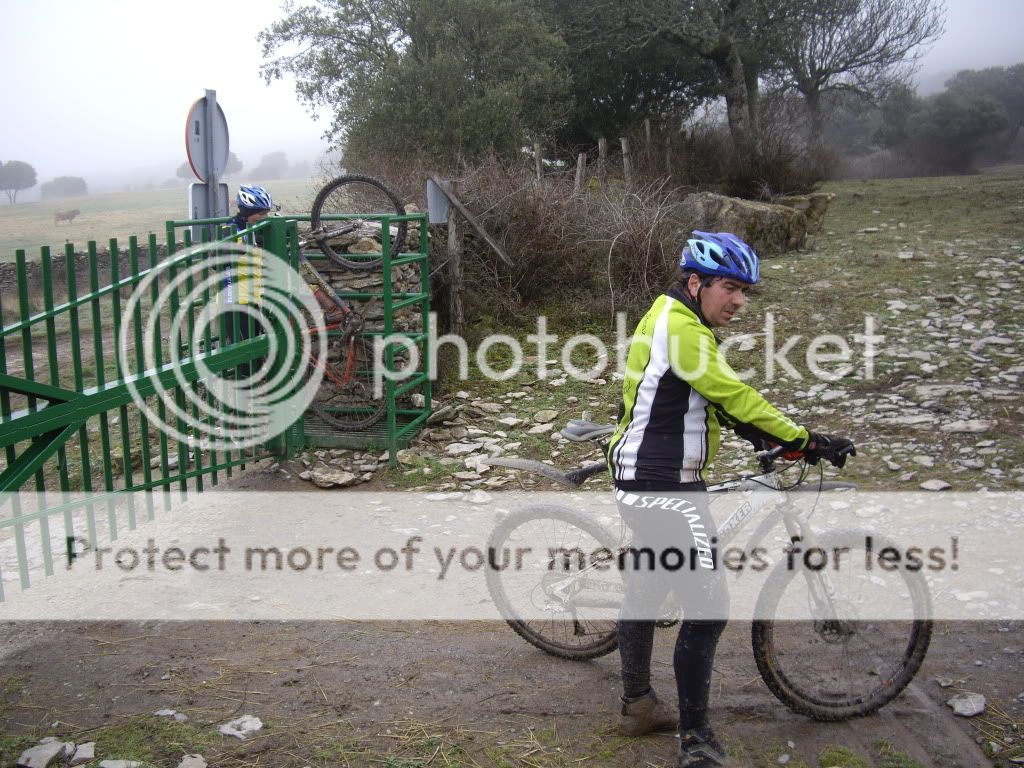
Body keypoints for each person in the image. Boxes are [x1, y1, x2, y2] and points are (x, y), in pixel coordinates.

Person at [606, 231, 855, 767]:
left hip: (646, 478)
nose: (739, 301)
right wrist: (803, 437)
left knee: (648, 590)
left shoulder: (677, 319)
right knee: (709, 608)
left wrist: (769, 438)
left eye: (746, 291)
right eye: (730, 288)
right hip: (663, 486)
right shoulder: (681, 328)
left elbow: (711, 401)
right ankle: (695, 741)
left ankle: (638, 705)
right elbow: (733, 394)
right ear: (695, 283)